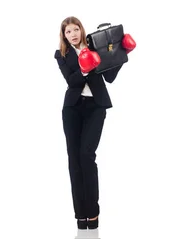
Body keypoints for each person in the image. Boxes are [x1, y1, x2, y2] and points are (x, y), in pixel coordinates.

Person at [54, 16, 136, 230]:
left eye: (75, 29)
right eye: (68, 31)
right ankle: (80, 215)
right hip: (72, 109)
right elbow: (71, 81)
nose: (73, 34)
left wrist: (121, 54)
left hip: (96, 107)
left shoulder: (95, 45)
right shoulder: (61, 54)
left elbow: (109, 77)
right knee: (74, 159)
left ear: (82, 30)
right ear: (63, 35)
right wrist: (84, 68)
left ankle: (93, 213)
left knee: (86, 156)